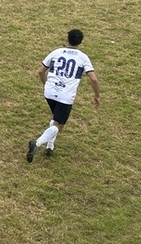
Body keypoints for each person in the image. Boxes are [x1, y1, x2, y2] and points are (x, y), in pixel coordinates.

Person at [27, 29, 100, 163]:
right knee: (59, 125)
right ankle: (37, 143)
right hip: (65, 96)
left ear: (67, 38)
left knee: (56, 118)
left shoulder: (56, 52)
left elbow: (41, 71)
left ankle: (50, 146)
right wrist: (97, 96)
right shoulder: (82, 57)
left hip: (49, 92)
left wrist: (46, 84)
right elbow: (93, 79)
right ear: (81, 41)